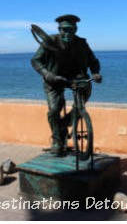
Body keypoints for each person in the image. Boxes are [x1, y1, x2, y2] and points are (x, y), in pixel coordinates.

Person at [30, 14, 102, 156]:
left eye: (70, 30)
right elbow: (35, 61)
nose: (67, 33)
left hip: (75, 78)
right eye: (64, 30)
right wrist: (47, 74)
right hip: (54, 79)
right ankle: (57, 139)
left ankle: (63, 125)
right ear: (59, 29)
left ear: (75, 30)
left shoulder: (82, 43)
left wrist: (95, 73)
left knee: (82, 99)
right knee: (54, 110)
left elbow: (93, 61)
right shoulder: (50, 41)